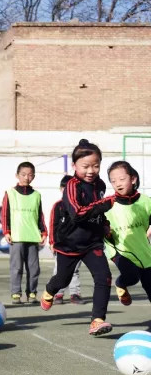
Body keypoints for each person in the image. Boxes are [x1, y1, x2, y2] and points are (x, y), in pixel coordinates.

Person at [41, 139, 115, 336]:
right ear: (74, 166)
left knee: (104, 276)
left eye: (96, 165)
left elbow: (97, 210)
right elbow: (77, 213)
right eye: (85, 166)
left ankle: (97, 320)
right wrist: (107, 203)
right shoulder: (72, 186)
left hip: (92, 242)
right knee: (62, 280)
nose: (91, 171)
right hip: (70, 243)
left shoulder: (100, 184)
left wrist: (105, 225)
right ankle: (50, 289)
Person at [105, 161, 151, 305]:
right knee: (131, 276)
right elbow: (96, 224)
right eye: (113, 181)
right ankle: (120, 283)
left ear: (133, 179)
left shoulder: (145, 202)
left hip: (143, 252)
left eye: (122, 179)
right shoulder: (106, 205)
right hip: (120, 251)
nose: (118, 183)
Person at [1, 161, 47, 305]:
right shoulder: (10, 193)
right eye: (23, 174)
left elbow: (40, 215)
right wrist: (6, 231)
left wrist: (44, 232)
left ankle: (32, 293)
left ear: (34, 176)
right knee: (17, 267)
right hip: (16, 236)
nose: (27, 177)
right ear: (17, 175)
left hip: (33, 236)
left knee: (34, 268)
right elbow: (5, 214)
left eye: (30, 175)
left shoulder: (37, 195)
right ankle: (16, 293)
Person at [51, 175, 83, 304]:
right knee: (59, 269)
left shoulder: (80, 206)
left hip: (76, 244)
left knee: (74, 270)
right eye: (65, 188)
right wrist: (52, 242)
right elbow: (53, 224)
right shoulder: (58, 206)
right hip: (61, 244)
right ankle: (58, 293)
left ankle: (75, 294)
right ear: (61, 189)